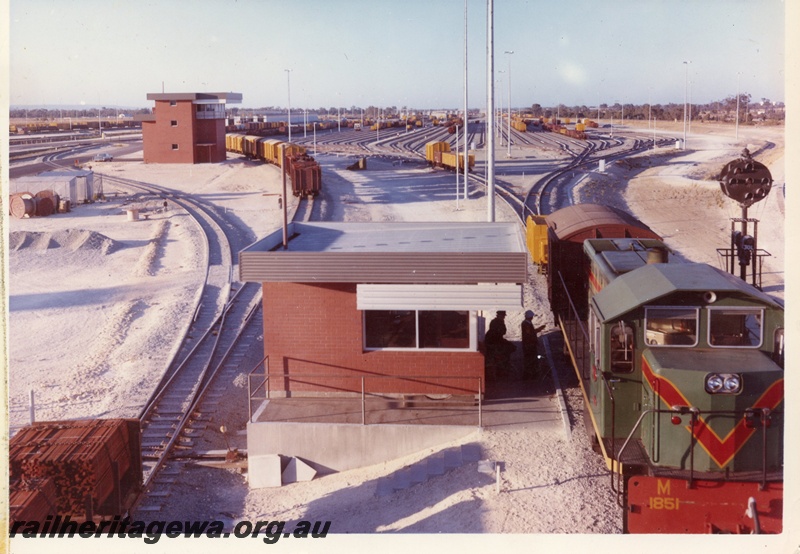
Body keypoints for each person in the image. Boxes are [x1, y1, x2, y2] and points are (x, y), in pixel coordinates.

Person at [485, 311, 516, 377]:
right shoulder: (494, 322)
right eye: (503, 316)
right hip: (493, 341)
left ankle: (503, 367)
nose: (503, 317)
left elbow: (503, 331)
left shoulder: (500, 322)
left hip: (497, 340)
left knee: (510, 347)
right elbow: (497, 333)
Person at [521, 310, 546, 379]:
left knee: (531, 359)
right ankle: (530, 375)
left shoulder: (527, 323)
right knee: (530, 359)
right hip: (529, 345)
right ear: (530, 317)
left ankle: (531, 374)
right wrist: (539, 329)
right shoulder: (526, 324)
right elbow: (530, 333)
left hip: (529, 344)